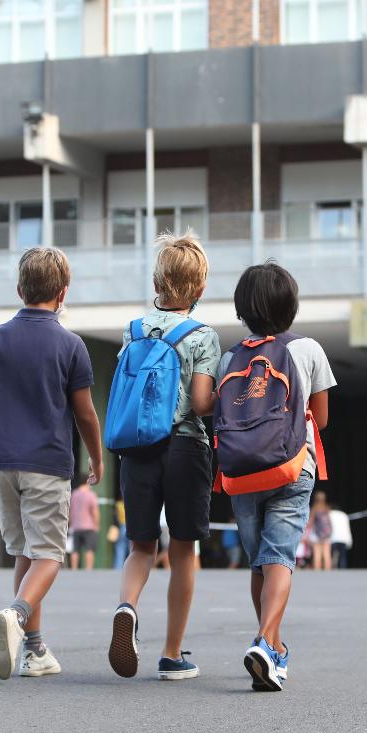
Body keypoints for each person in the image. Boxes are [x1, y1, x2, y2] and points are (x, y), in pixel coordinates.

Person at [0, 246, 103, 681]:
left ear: (19, 290)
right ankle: (17, 614)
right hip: (48, 464)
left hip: (1, 464)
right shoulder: (70, 345)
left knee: (24, 551)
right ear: (63, 293)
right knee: (50, 555)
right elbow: (85, 412)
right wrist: (96, 454)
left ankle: (34, 651)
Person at [107, 233, 220, 682]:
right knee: (183, 547)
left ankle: (126, 607)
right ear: (199, 289)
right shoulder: (202, 335)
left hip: (137, 448)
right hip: (185, 445)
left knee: (140, 545)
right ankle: (172, 654)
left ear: (156, 280)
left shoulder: (132, 330)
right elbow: (199, 401)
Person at [219, 262, 336, 692]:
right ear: (291, 304)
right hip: (290, 468)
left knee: (259, 562)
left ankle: (273, 647)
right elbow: (319, 419)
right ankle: (265, 645)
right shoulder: (309, 350)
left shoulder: (230, 357)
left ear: (242, 308)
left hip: (240, 474)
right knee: (279, 558)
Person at [68, 480, 100, 571]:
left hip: (76, 526)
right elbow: (95, 511)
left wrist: (71, 524)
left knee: (75, 549)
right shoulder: (91, 495)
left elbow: (71, 511)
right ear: (87, 483)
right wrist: (96, 524)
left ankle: (74, 569)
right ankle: (88, 569)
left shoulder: (74, 494)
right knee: (89, 549)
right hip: (89, 526)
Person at [306, 491, 333, 571]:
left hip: (316, 534)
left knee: (317, 554)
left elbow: (310, 522)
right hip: (326, 533)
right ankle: (328, 572)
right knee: (326, 554)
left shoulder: (314, 509)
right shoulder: (327, 508)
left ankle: (317, 573)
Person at [328, 503, 352, 570]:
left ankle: (331, 568)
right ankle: (342, 570)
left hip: (332, 538)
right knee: (342, 556)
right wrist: (349, 541)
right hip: (343, 538)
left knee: (331, 555)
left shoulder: (329, 514)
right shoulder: (344, 515)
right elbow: (347, 528)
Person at [111, 497, 129, 570]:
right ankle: (131, 568)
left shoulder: (118, 504)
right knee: (133, 549)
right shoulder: (132, 503)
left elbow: (117, 519)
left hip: (122, 527)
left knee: (120, 548)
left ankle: (118, 567)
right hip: (131, 526)